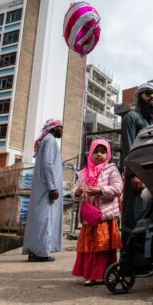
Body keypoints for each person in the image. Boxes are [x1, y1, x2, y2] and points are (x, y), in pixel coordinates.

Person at [120, 82, 153, 276]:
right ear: (139, 97)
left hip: (152, 179)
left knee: (149, 218)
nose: (152, 97)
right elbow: (129, 148)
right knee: (134, 218)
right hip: (137, 178)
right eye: (148, 94)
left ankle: (145, 261)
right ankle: (130, 263)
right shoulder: (131, 117)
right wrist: (134, 174)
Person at [71, 139, 123, 286]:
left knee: (104, 246)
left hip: (105, 216)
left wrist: (100, 190)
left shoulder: (111, 169)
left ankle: (104, 274)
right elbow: (74, 192)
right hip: (90, 217)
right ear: (91, 153)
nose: (99, 154)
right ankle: (90, 275)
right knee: (90, 247)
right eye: (96, 151)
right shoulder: (83, 173)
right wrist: (78, 192)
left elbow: (118, 188)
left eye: (103, 151)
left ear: (108, 154)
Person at [22, 119, 64, 262]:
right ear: (53, 128)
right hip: (46, 189)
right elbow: (48, 164)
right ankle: (40, 253)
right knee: (44, 220)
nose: (62, 131)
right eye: (60, 128)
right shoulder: (50, 140)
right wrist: (53, 187)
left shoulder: (47, 140)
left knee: (39, 220)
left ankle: (35, 251)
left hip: (42, 188)